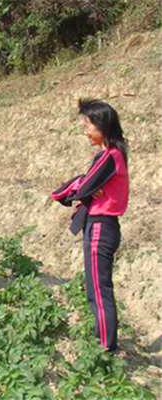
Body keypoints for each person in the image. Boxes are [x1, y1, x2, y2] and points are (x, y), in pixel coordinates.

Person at [51, 99, 129, 353]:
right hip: (99, 225)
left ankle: (106, 347)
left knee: (99, 287)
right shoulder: (107, 156)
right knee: (95, 286)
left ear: (103, 125)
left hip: (101, 226)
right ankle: (102, 339)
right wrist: (83, 187)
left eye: (88, 125)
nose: (86, 131)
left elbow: (79, 188)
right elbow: (68, 192)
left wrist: (83, 187)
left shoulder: (110, 156)